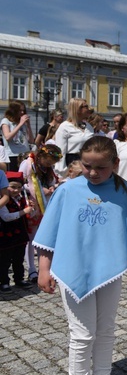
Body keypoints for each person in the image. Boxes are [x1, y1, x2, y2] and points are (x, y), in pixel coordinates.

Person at [34, 136, 127, 375]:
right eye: (87, 165)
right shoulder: (67, 191)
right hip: (74, 268)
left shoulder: (123, 189)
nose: (92, 172)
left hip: (110, 271)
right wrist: (44, 268)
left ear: (115, 164)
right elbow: (50, 232)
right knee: (82, 334)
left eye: (100, 167)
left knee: (106, 330)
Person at [18, 144, 63, 283]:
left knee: (45, 237)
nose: (50, 164)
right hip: (32, 205)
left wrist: (51, 187)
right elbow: (20, 183)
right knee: (31, 239)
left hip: (46, 205)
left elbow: (52, 181)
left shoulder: (48, 169)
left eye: (52, 162)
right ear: (42, 156)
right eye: (49, 160)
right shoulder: (27, 164)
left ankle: (47, 267)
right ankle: (32, 269)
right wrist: (40, 190)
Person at [0, 171, 34, 292]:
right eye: (13, 187)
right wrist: (23, 212)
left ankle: (19, 278)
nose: (16, 190)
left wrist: (29, 208)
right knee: (4, 260)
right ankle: (4, 282)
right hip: (6, 235)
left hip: (20, 233)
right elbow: (6, 217)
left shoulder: (22, 198)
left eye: (19, 187)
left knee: (18, 259)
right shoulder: (3, 200)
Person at [55, 98, 94, 176]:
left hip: (88, 163)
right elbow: (60, 151)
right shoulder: (65, 127)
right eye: (85, 106)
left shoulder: (88, 126)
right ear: (78, 109)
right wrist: (61, 172)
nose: (89, 109)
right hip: (73, 164)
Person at [1, 100, 33, 171]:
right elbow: (7, 137)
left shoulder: (23, 122)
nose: (22, 112)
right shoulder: (6, 121)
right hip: (12, 155)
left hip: (25, 154)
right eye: (20, 110)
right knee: (14, 178)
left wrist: (28, 125)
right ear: (13, 111)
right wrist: (20, 124)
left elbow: (31, 140)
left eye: (23, 111)